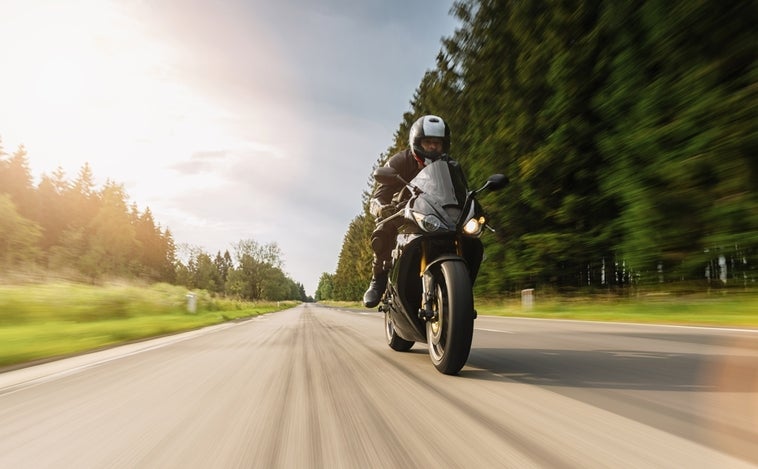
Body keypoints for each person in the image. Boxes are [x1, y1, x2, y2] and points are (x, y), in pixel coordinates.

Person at [363, 114, 454, 308]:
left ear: (444, 145)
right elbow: (379, 196)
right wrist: (381, 208)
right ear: (417, 142)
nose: (432, 147)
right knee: (382, 231)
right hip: (404, 211)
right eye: (428, 142)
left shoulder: (450, 165)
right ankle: (378, 279)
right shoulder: (400, 161)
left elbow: (458, 191)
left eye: (437, 143)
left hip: (438, 214)